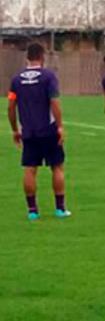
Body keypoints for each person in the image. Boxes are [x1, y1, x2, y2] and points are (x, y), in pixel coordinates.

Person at [7, 44, 70, 221]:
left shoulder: (16, 79)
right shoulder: (48, 76)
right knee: (57, 166)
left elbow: (11, 106)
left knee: (30, 169)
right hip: (49, 129)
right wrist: (59, 126)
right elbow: (54, 102)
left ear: (27, 58)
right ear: (42, 58)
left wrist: (14, 130)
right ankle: (60, 209)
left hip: (29, 131)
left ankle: (33, 211)